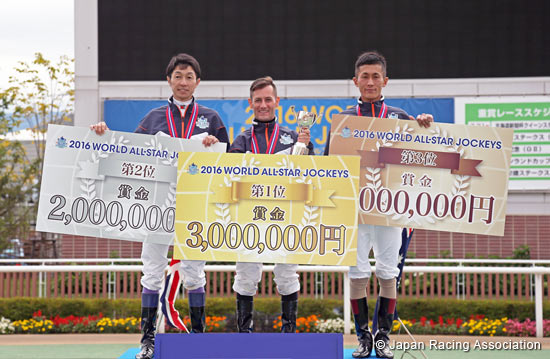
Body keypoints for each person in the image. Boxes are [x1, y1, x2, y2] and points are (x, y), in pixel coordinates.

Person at [91, 53, 229, 359]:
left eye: (189, 76)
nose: (183, 82)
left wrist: (214, 149)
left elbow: (228, 161)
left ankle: (198, 340)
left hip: (196, 206)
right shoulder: (152, 119)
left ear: (198, 82)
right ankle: (148, 340)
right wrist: (102, 135)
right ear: (169, 80)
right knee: (151, 271)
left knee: (195, 273)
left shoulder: (212, 120)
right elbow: (126, 157)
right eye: (178, 76)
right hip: (157, 207)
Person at [325, 51, 432, 359]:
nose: (370, 82)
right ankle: (363, 338)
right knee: (357, 274)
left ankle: (383, 337)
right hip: (354, 211)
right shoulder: (343, 121)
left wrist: (425, 128)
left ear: (385, 80)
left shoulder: (401, 118)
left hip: (390, 210)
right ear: (355, 81)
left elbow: (424, 156)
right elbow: (330, 166)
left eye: (376, 77)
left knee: (387, 273)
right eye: (364, 77)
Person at [228, 76, 313, 333]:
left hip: (286, 216)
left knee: (287, 276)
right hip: (249, 218)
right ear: (250, 104)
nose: (263, 104)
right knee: (245, 277)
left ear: (277, 101)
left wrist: (306, 148)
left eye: (268, 99)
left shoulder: (293, 138)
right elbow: (230, 178)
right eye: (258, 100)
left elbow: (314, 174)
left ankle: (288, 336)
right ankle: (246, 337)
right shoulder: (241, 141)